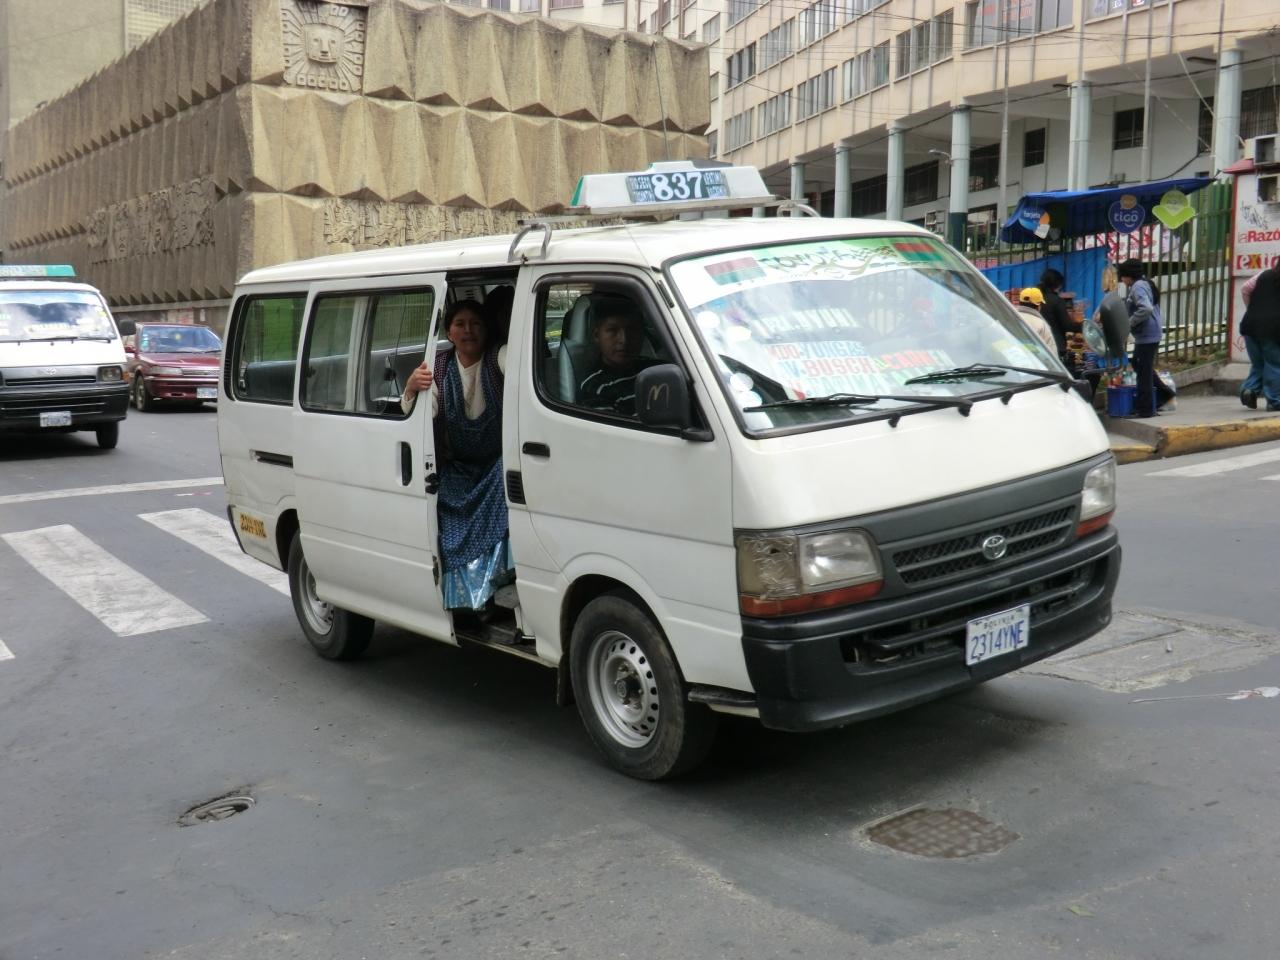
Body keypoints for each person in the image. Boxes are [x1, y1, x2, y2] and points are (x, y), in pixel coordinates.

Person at [401, 300, 511, 611]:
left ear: (486, 330)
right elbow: (421, 413)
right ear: (449, 333)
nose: (468, 331)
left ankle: (496, 587)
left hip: (495, 464)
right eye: (460, 324)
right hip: (459, 468)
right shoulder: (438, 367)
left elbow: (519, 368)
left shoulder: (498, 357)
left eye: (475, 324)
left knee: (508, 476)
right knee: (444, 511)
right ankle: (466, 601)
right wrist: (411, 389)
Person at [578, 298, 660, 415]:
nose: (624, 340)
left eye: (632, 330)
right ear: (597, 336)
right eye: (612, 330)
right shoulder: (595, 387)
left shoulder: (658, 368)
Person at [1116, 258, 1174, 418]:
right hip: (1148, 334)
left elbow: (1146, 308)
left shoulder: (1138, 287)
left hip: (1148, 334)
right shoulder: (1144, 283)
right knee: (1139, 364)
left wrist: (1129, 323)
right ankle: (1164, 393)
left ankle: (1146, 409)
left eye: (1122, 276)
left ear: (1128, 275)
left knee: (1143, 371)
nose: (1122, 280)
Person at [1239, 265, 1280, 411]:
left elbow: (1245, 288)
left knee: (1258, 363)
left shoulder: (1264, 274)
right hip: (1273, 329)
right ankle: (1275, 401)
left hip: (1250, 325)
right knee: (1275, 364)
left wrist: (1251, 309)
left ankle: (1249, 390)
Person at [1035, 268, 1079, 364]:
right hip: (1055, 345)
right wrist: (1084, 326)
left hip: (1037, 343)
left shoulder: (1036, 298)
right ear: (1058, 284)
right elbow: (1067, 326)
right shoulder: (1056, 301)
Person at [1093, 265, 1130, 368]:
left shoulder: (1109, 298)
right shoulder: (1115, 297)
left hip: (1109, 343)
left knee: (1110, 370)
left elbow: (1098, 317)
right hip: (1115, 343)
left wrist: (1097, 318)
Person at [1016, 287, 1059, 355]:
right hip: (1033, 361)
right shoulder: (1042, 325)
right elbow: (1052, 353)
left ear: (1019, 302)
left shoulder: (1009, 318)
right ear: (1039, 306)